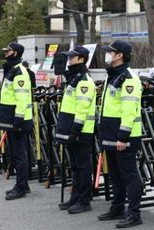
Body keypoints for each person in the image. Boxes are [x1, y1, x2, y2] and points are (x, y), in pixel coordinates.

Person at [98, 40, 142, 228]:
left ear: (120, 55)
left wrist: (123, 136)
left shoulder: (128, 76)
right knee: (115, 174)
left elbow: (129, 109)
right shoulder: (113, 75)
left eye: (111, 52)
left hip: (124, 136)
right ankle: (117, 207)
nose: (107, 54)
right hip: (109, 132)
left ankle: (134, 213)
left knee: (129, 175)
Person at [55, 46, 96, 214]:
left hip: (81, 131)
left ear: (81, 59)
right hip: (71, 130)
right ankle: (76, 196)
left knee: (83, 166)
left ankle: (84, 200)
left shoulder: (84, 80)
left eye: (72, 57)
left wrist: (75, 131)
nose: (69, 60)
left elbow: (82, 108)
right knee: (75, 166)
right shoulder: (74, 78)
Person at [0, 42, 33, 200]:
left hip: (18, 120)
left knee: (20, 155)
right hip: (11, 118)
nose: (5, 53)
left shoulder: (20, 71)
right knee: (16, 153)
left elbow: (22, 97)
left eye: (8, 51)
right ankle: (23, 185)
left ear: (16, 53)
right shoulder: (11, 69)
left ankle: (21, 187)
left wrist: (18, 120)